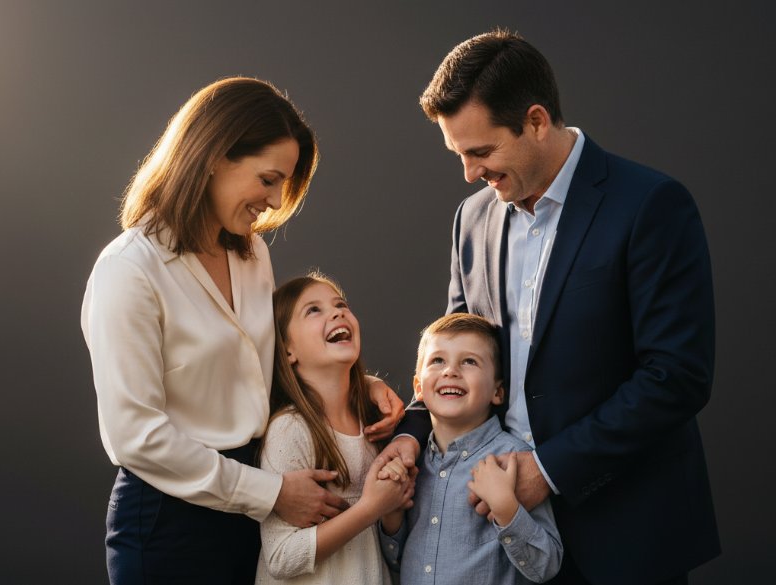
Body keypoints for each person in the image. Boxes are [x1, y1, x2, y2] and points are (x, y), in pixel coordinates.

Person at [381, 30, 720, 585]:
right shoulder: (472, 219)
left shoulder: (651, 205)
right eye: (459, 154)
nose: (469, 173)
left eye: (481, 152)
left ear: (536, 121)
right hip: (495, 536)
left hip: (625, 531)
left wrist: (548, 470)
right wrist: (408, 433)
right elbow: (454, 353)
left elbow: (677, 376)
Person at [81, 77, 403, 584]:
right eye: (268, 179)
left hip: (257, 512)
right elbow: (135, 437)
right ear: (214, 156)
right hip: (170, 523)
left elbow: (262, 377)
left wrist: (359, 388)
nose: (275, 202)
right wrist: (270, 493)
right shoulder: (129, 269)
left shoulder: (252, 256)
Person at [378, 313, 562, 584]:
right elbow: (398, 561)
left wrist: (506, 508)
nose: (450, 371)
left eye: (469, 362)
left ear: (497, 392)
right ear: (418, 387)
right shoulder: (412, 464)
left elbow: (547, 565)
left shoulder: (513, 461)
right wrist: (391, 516)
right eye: (438, 360)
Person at [256, 274, 412, 584]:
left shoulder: (376, 422)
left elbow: (389, 542)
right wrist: (370, 508)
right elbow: (280, 557)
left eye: (341, 304)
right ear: (288, 351)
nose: (337, 312)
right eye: (313, 310)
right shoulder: (289, 430)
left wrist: (392, 509)